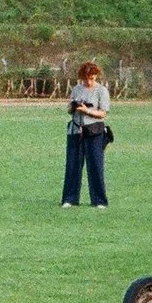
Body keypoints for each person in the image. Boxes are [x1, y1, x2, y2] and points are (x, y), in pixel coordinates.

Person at [62, 61, 112, 209]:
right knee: (72, 166)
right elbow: (69, 109)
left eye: (91, 78)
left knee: (96, 166)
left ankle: (99, 200)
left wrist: (87, 111)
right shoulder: (77, 89)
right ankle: (70, 198)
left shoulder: (101, 91)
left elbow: (103, 113)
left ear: (96, 76)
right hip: (76, 131)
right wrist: (73, 107)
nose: (88, 81)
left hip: (94, 132)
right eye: (85, 78)